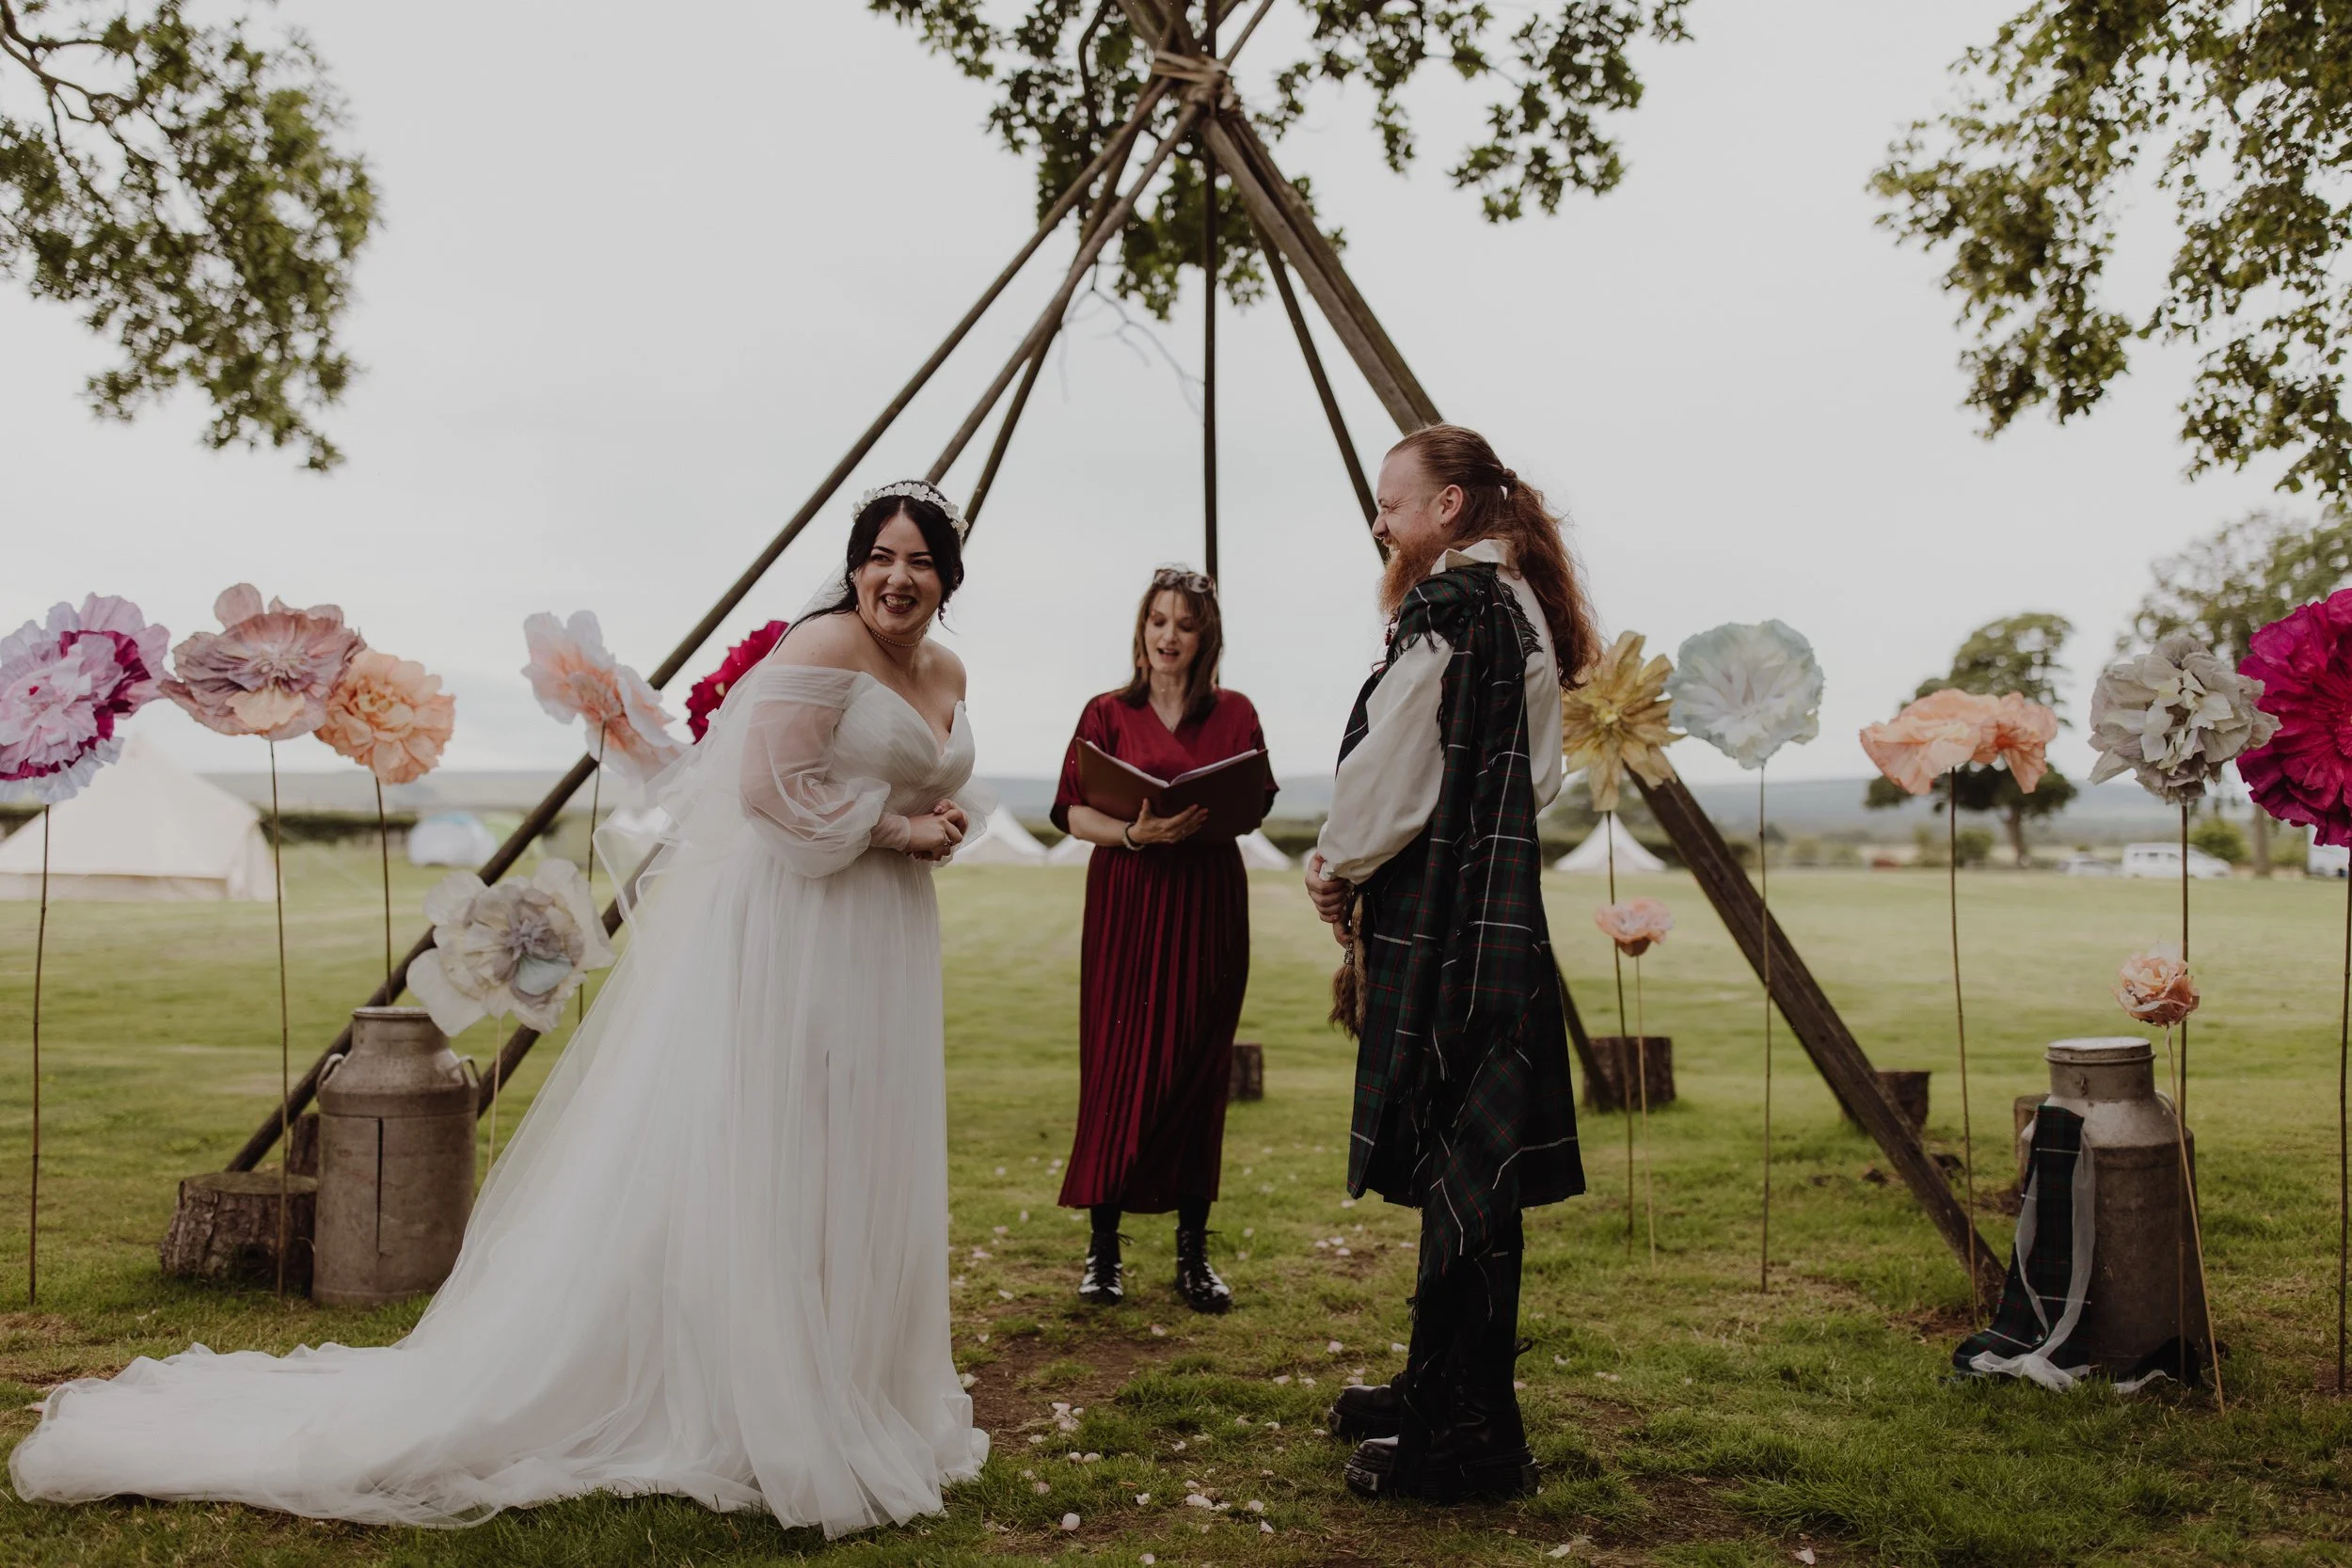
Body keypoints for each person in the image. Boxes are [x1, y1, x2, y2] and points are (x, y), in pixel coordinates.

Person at [9, 482, 991, 1534]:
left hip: (886, 930)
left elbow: (935, 772)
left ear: (947, 576)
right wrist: (894, 833)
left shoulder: (946, 667)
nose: (896, 577)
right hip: (802, 924)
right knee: (782, 1138)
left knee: (861, 1139)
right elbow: (765, 788)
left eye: (920, 561)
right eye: (880, 555)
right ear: (853, 564)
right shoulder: (821, 648)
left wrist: (945, 817)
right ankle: (767, 1386)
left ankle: (859, 1378)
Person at [1303, 424, 1599, 1503]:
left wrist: (1336, 861)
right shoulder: (1517, 605)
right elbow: (1543, 774)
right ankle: (1444, 1390)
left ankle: (1465, 1439)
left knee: (1461, 1164)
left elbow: (1389, 768)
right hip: (1497, 916)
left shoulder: (1448, 607)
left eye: (1391, 500)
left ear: (1449, 508)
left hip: (1441, 916)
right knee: (1467, 1164)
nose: (1377, 520)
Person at [1050, 567, 1273, 1312]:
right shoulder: (1106, 712)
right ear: (1141, 630)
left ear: (1205, 636)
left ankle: (1193, 1253)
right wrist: (1136, 834)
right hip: (1128, 898)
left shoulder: (1236, 712)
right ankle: (1103, 1250)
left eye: (1184, 623)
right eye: (1157, 620)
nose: (1169, 635)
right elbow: (1073, 811)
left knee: (1197, 1071)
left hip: (1209, 902)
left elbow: (1254, 801)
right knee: (1116, 1065)